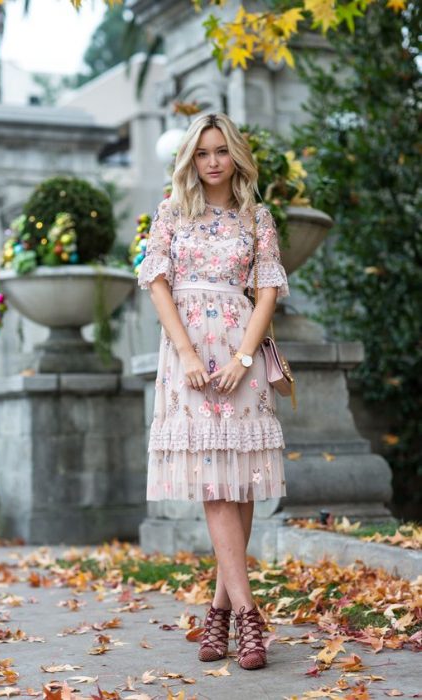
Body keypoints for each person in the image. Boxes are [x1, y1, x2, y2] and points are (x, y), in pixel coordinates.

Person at [137, 112, 289, 671]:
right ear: (190, 160)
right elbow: (157, 284)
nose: (213, 161)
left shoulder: (258, 216)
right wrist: (186, 352)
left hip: (239, 348)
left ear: (236, 156)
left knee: (242, 479)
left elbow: (268, 290)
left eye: (221, 151)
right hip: (190, 353)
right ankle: (250, 619)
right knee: (215, 481)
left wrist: (246, 356)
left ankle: (220, 614)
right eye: (202, 153)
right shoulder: (172, 213)